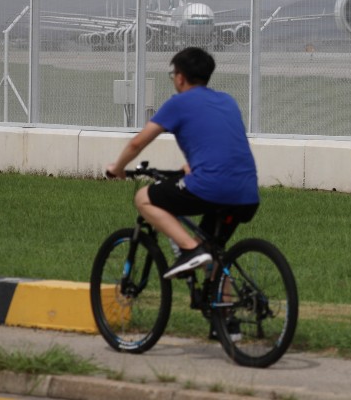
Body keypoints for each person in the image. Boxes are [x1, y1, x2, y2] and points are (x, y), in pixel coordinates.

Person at [106, 47, 259, 281]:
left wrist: (117, 168)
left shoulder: (178, 103)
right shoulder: (227, 101)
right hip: (247, 193)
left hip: (212, 186)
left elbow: (137, 143)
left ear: (179, 77)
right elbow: (216, 142)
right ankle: (225, 312)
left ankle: (189, 249)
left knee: (143, 198)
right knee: (212, 254)